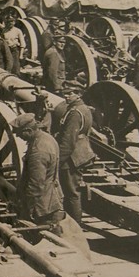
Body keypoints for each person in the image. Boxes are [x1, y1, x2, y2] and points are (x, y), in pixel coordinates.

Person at [11, 113, 64, 227]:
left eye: (20, 133)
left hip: (42, 207)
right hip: (51, 199)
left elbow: (36, 184)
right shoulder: (47, 138)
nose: (18, 136)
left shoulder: (38, 151)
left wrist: (26, 208)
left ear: (29, 131)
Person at [54, 86, 95, 225]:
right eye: (65, 94)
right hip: (81, 151)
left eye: (70, 94)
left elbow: (68, 142)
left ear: (78, 94)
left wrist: (58, 161)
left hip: (71, 157)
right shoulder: (83, 108)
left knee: (71, 192)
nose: (66, 96)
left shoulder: (75, 113)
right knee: (72, 190)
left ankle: (75, 225)